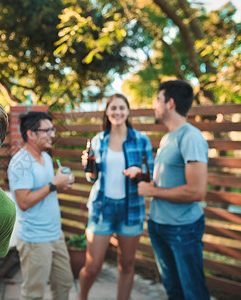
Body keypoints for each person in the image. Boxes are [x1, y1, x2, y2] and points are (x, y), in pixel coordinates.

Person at [138, 80, 210, 299]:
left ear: (169, 103)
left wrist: (153, 192)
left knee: (193, 292)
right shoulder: (168, 137)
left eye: (157, 101)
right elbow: (169, 181)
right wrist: (147, 182)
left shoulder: (191, 137)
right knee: (174, 291)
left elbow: (196, 192)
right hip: (159, 225)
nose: (153, 106)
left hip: (182, 229)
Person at [78, 94, 154, 300]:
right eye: (113, 108)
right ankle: (81, 296)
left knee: (127, 265)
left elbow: (150, 176)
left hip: (131, 209)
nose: (118, 112)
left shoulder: (141, 140)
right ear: (107, 112)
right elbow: (92, 177)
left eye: (121, 108)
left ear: (128, 111)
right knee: (92, 267)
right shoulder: (98, 140)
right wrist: (89, 165)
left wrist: (139, 172)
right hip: (102, 209)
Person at [7, 111, 74, 300]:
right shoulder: (20, 163)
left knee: (64, 283)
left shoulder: (46, 157)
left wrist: (62, 182)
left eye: (52, 130)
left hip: (55, 235)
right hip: (34, 241)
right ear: (32, 134)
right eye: (48, 130)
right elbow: (24, 202)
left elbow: (46, 190)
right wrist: (54, 184)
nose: (53, 134)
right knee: (33, 294)